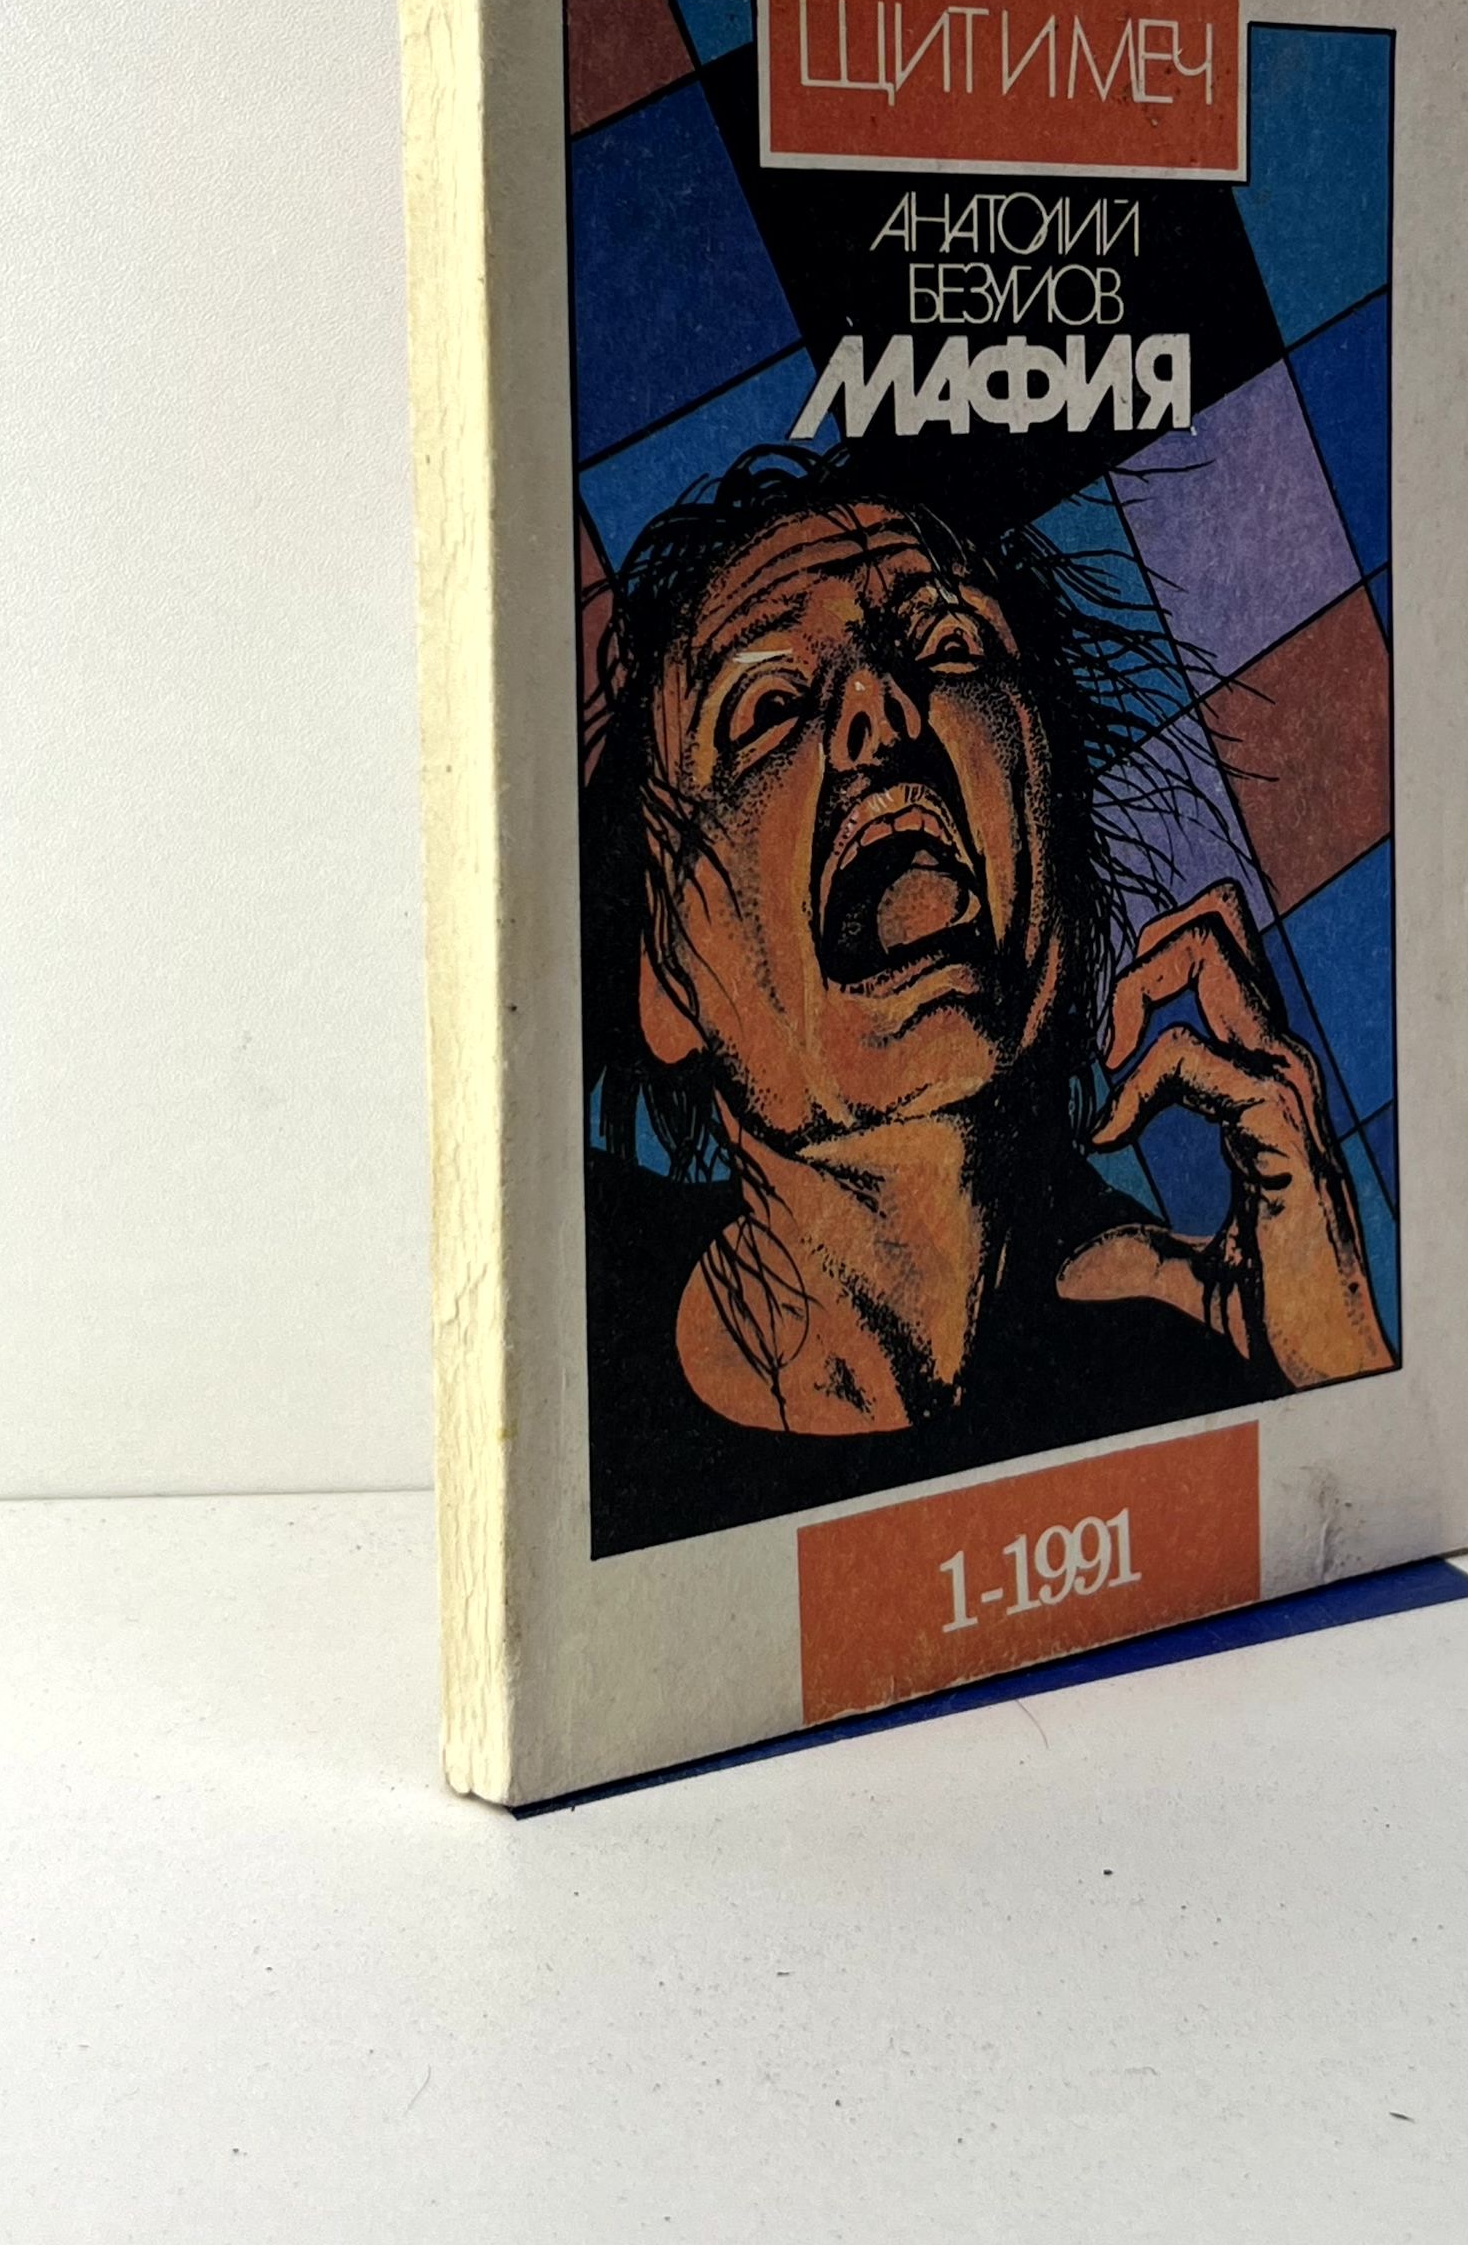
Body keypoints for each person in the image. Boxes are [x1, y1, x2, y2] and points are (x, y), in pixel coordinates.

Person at [579, 442, 1392, 1549]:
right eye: (766, 706)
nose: (878, 702)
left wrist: (1329, 1374)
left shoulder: (1191, 1333)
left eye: (948, 645)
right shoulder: (579, 1301)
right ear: (664, 979)